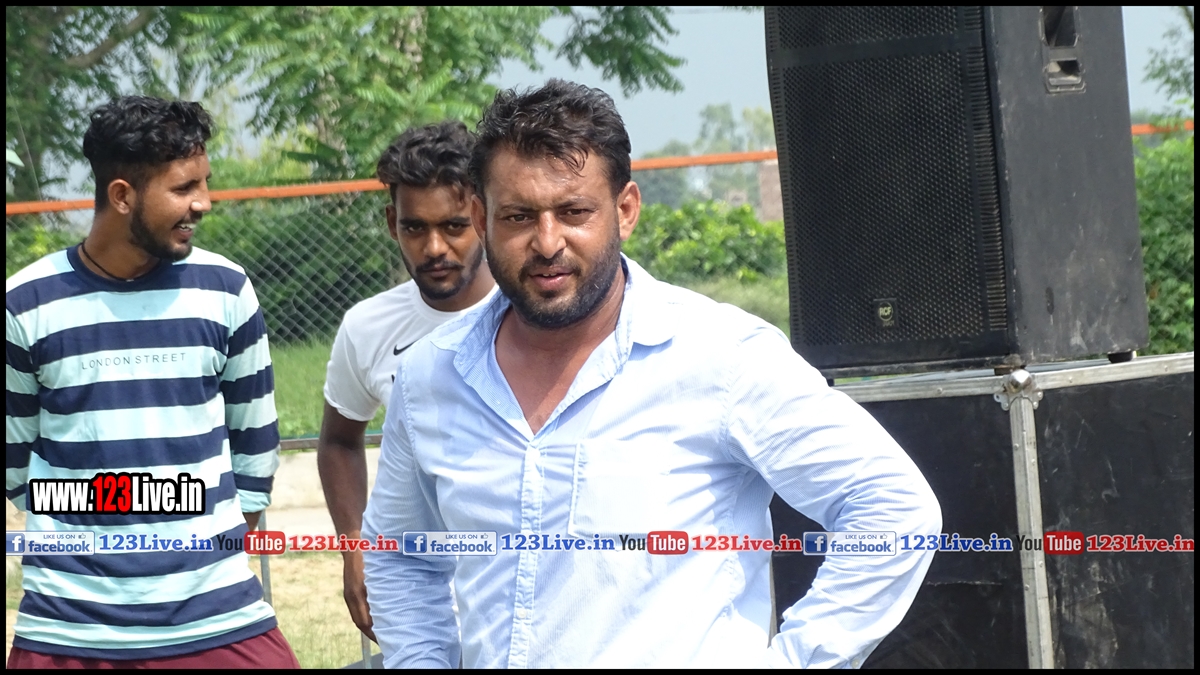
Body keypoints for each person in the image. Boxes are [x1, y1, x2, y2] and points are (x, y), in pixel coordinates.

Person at [360, 79, 942, 669]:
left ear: (625, 210)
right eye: (518, 216)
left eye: (574, 212)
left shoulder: (720, 357)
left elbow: (893, 507)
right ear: (483, 219)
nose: (547, 241)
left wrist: (794, 661)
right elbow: (400, 554)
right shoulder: (431, 376)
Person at [5, 96, 298, 668]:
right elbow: (15, 468)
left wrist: (198, 560)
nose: (203, 203)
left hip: (219, 617)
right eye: (184, 188)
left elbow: (255, 447)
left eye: (204, 183)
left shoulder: (226, 289)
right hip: (69, 629)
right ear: (122, 196)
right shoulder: (24, 304)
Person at [317, 121, 496, 641]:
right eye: (415, 228)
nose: (434, 247)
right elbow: (338, 441)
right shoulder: (368, 327)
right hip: (417, 605)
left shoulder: (531, 315)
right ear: (392, 222)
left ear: (482, 216)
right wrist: (355, 548)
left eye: (454, 226)